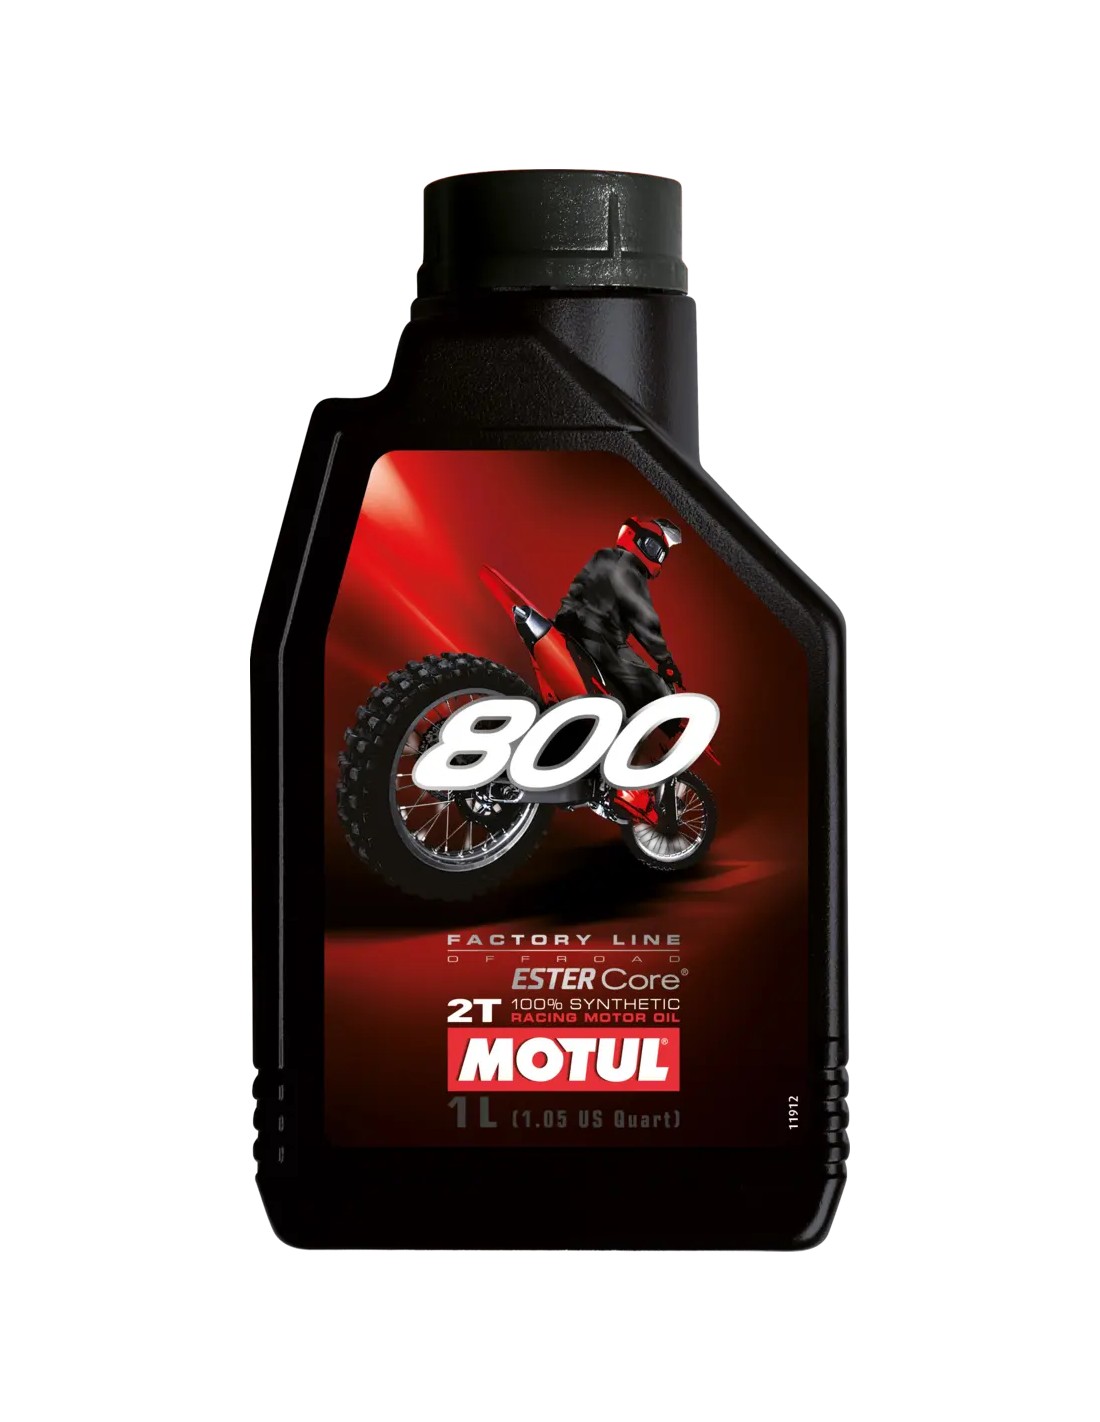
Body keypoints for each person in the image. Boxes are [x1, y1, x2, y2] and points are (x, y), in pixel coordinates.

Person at [555, 516, 683, 713]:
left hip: (568, 624)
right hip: (600, 642)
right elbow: (644, 619)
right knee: (658, 692)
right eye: (651, 546)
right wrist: (665, 661)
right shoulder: (629, 568)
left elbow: (578, 590)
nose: (655, 556)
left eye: (660, 554)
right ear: (634, 535)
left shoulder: (604, 555)